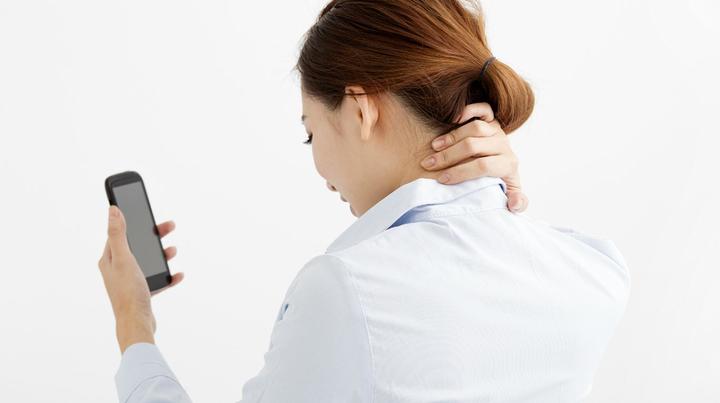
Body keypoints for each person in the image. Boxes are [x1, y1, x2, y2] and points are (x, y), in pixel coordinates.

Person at [97, 1, 630, 402]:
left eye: (310, 133)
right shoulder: (596, 270)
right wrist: (504, 192)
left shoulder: (346, 289)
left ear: (360, 110)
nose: (322, 174)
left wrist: (133, 324)